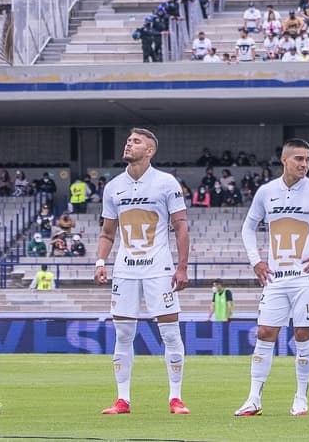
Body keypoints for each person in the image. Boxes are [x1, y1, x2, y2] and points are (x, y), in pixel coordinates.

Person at [234, 139, 309, 417]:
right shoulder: (266, 192)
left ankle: (300, 398)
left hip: (305, 278)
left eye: (308, 160)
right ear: (284, 159)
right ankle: (253, 399)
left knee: (303, 335)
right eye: (299, 159)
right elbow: (248, 227)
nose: (304, 164)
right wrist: (256, 261)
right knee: (265, 333)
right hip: (276, 278)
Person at [94, 129, 191, 416]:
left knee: (170, 333)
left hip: (158, 269)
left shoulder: (166, 183)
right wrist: (100, 262)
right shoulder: (113, 187)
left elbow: (181, 226)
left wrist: (182, 266)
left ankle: (176, 398)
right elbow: (107, 233)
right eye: (128, 140)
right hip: (125, 269)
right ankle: (122, 400)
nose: (128, 144)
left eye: (136, 141)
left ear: (149, 151)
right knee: (123, 333)